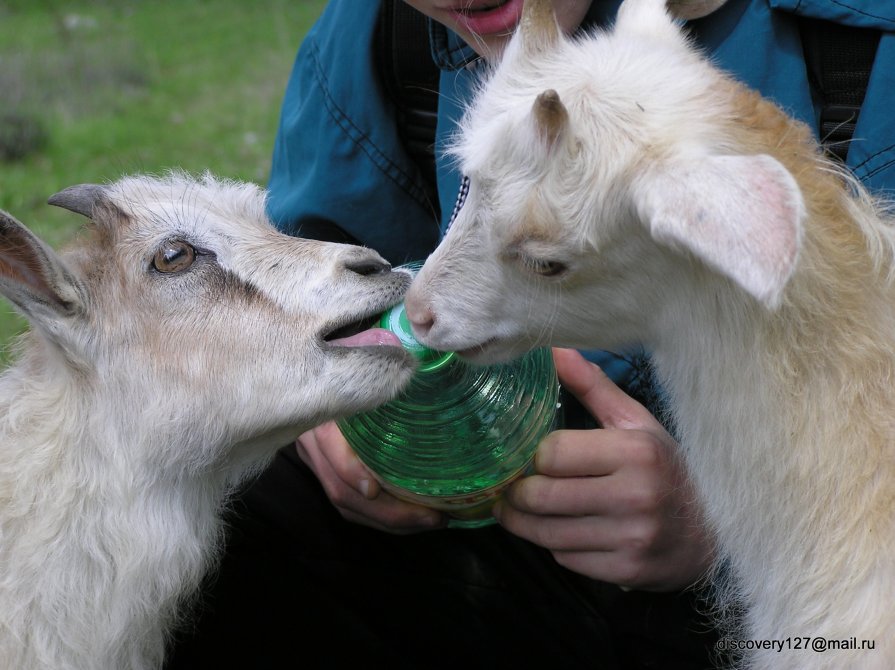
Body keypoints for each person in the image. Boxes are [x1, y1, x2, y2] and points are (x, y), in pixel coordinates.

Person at [165, 1, 894, 668]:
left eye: (549, 260)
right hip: (502, 547)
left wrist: (717, 530)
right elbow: (328, 251)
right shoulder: (378, 42)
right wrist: (317, 399)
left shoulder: (860, 48)